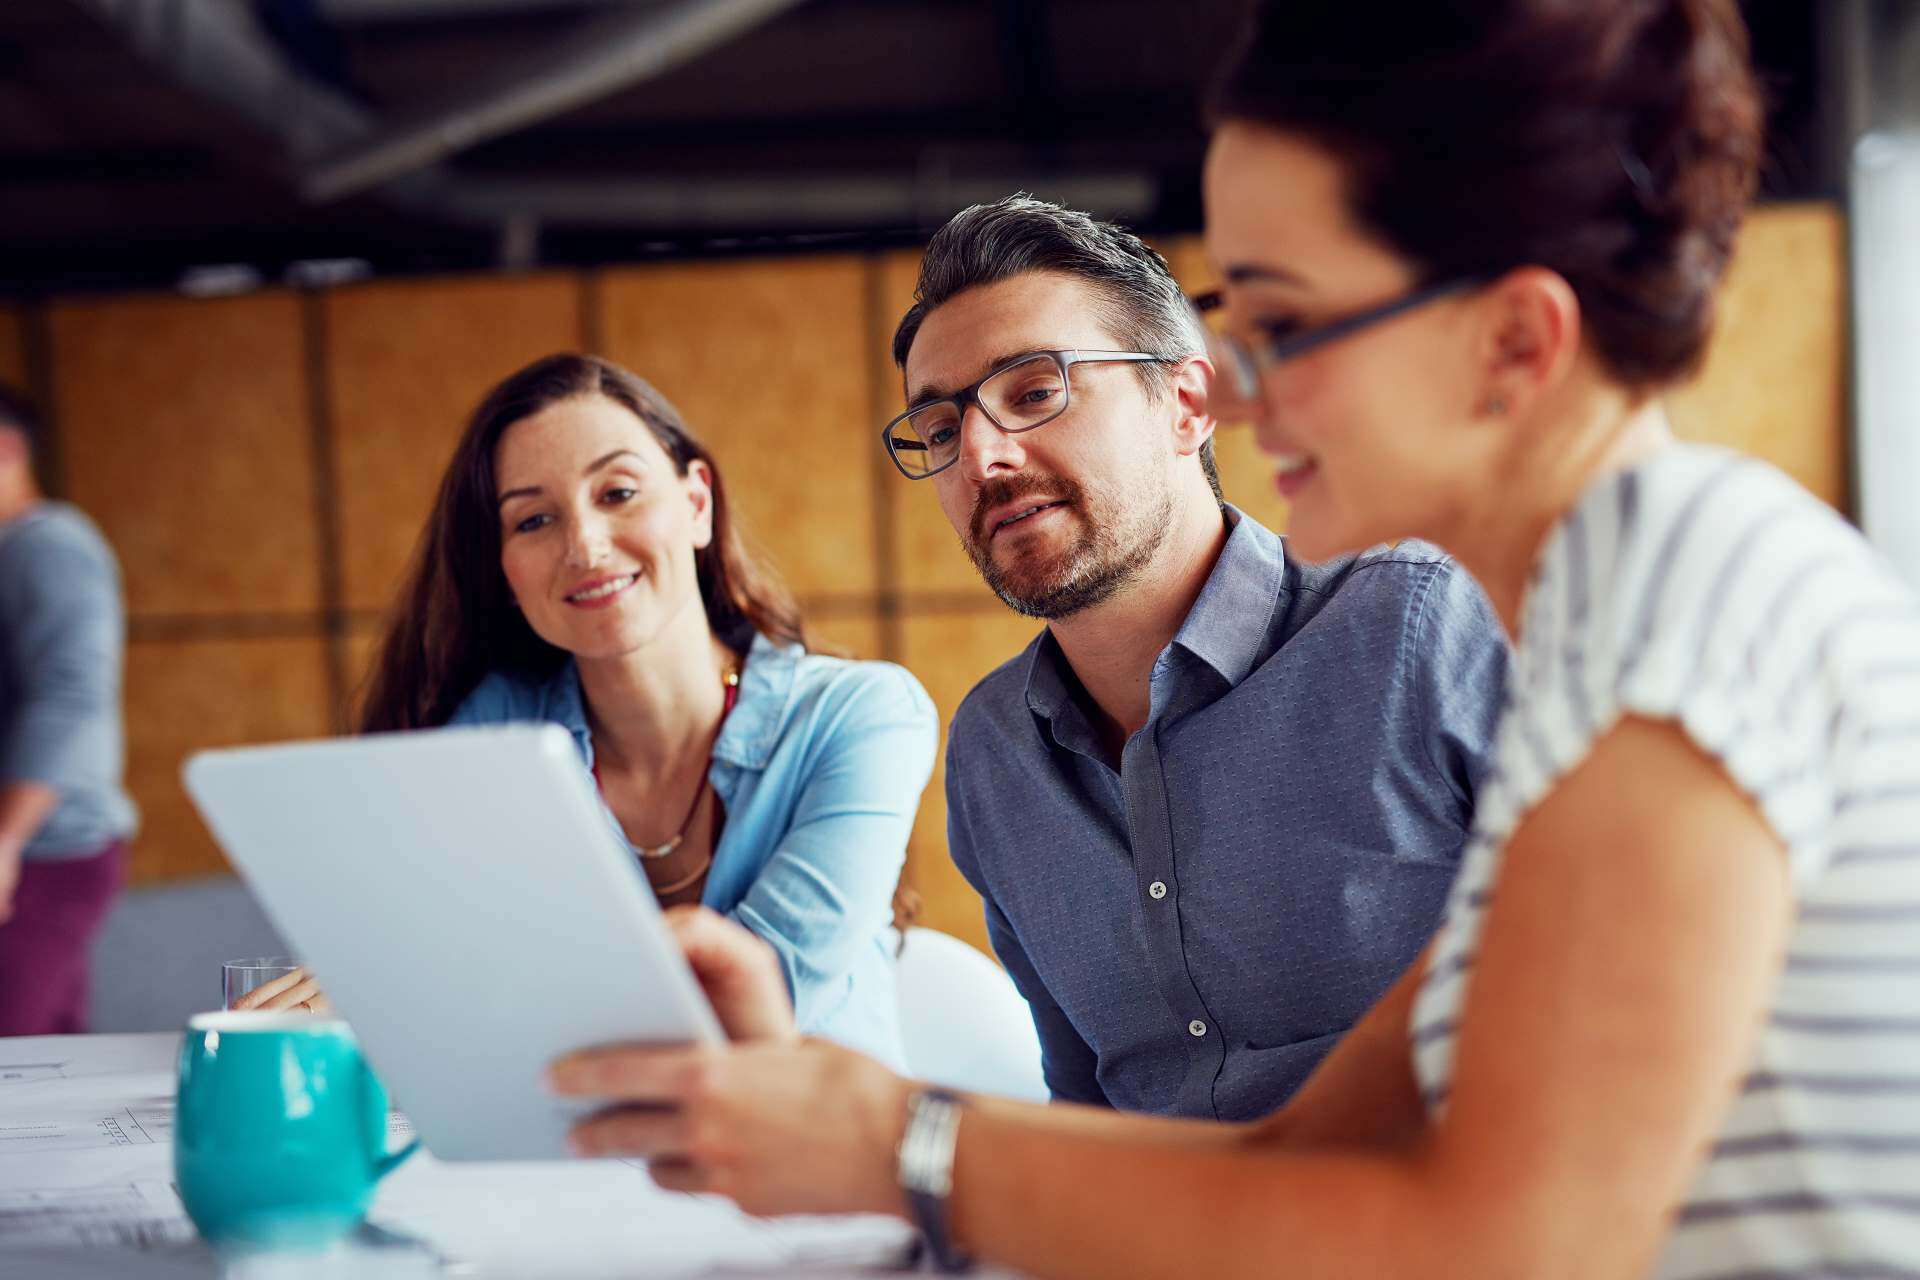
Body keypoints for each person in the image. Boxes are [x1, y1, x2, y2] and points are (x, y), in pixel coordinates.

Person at [542, 3, 1920, 1277]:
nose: (1247, 396)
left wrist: (899, 1145)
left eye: (1287, 325)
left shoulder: (1687, 616)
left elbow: (1496, 1250)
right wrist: (843, 1116)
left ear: (1513, 341)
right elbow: (1291, 1154)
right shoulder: (1603, 629)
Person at [887, 196, 1508, 1120]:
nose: (981, 455)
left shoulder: (1421, 630)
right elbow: (1087, 1107)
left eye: (1033, 391)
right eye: (940, 430)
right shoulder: (992, 749)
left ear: (1185, 405)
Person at [246, 354, 936, 1067]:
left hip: (816, 1162)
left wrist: (422, 994)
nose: (584, 545)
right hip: (580, 1161)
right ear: (503, 572)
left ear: (697, 503)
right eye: (535, 519)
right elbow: (421, 952)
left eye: (619, 492)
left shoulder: (865, 716)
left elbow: (759, 1000)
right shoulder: (496, 731)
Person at [0, 383, 137, 1036]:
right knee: (48, 1066)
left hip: (44, 851)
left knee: (15, 1068)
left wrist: (8, 839)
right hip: (34, 850)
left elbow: (72, 694)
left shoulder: (47, 546)